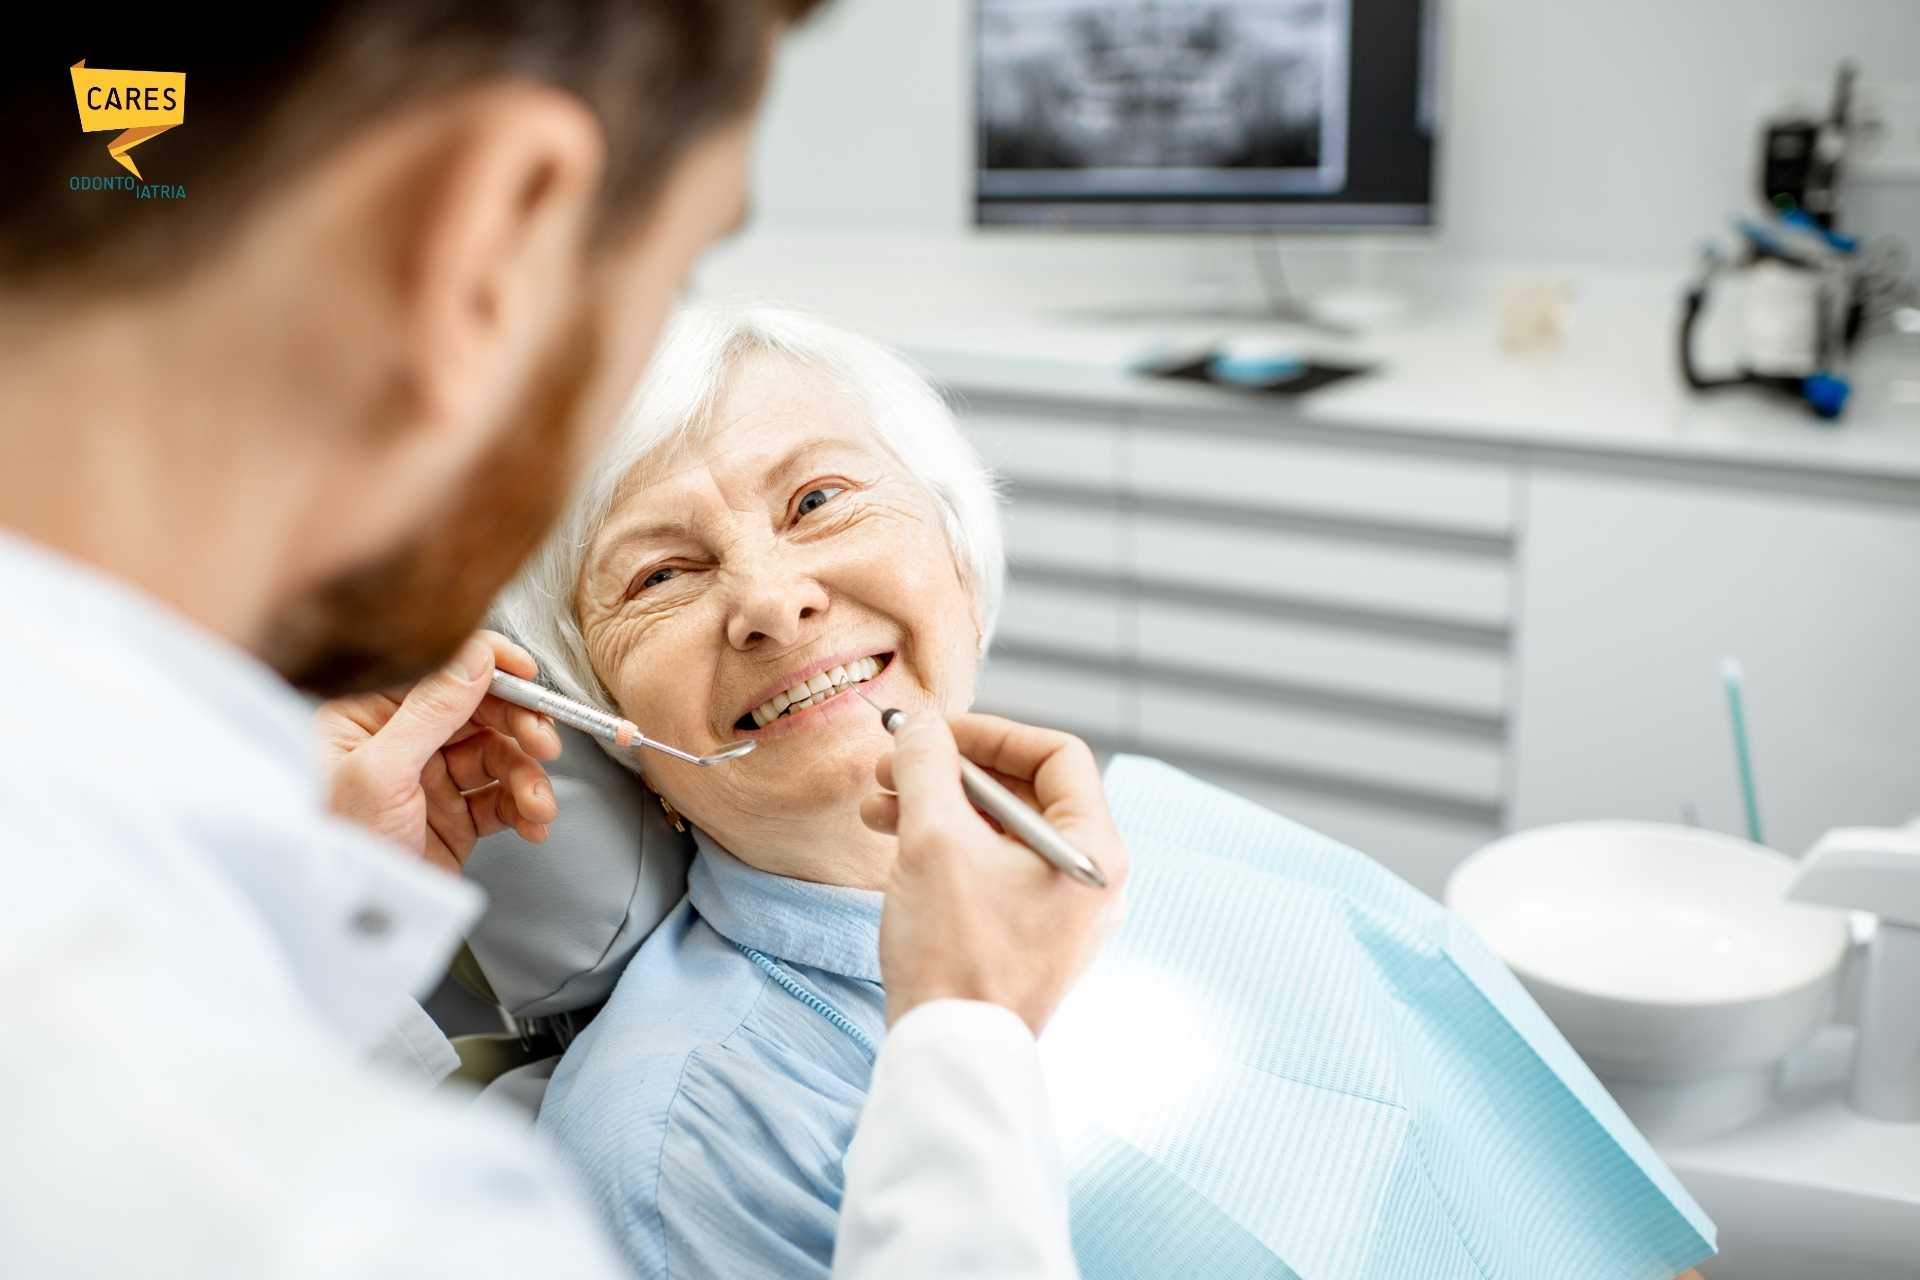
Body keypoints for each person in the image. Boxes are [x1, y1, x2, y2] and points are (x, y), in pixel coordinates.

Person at [0, 10, 1120, 1277]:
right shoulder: (388, 1202)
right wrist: (966, 1042)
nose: (773, 598)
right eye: (681, 266)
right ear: (495, 231)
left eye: (818, 499)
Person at [483, 302, 1710, 1280]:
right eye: (660, 573)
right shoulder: (677, 1136)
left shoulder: (1206, 849)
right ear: (609, 719)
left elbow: (1569, 1214)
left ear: (956, 550)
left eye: (818, 500)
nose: (770, 597)